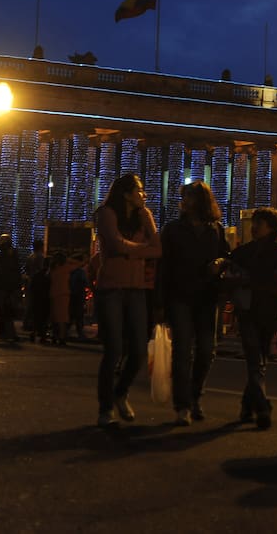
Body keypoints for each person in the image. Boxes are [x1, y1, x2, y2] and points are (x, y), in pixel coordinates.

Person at [94, 174, 162, 427]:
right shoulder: (106, 213)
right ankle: (106, 408)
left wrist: (135, 243)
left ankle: (120, 392)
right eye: (140, 190)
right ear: (126, 193)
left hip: (137, 289)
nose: (144, 195)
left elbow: (158, 249)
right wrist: (141, 250)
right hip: (111, 287)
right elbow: (114, 244)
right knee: (113, 350)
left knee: (138, 350)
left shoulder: (144, 216)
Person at [160, 181, 229, 426]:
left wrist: (219, 263)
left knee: (206, 350)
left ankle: (196, 394)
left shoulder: (216, 229)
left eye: (189, 196)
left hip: (207, 297)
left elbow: (226, 256)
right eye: (184, 196)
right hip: (180, 296)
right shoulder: (172, 230)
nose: (185, 200)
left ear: (201, 200)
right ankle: (183, 405)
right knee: (182, 352)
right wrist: (160, 303)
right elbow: (163, 266)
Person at [226, 207, 277, 428]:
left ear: (272, 228)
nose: (255, 227)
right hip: (250, 313)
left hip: (267, 314)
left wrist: (249, 282)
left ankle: (247, 407)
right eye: (254, 223)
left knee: (258, 362)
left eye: (261, 223)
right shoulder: (244, 253)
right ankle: (263, 407)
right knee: (256, 362)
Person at [29, 257, 51, 344]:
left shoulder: (37, 275)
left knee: (36, 317)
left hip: (36, 298)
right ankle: (42, 336)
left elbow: (32, 287)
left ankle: (34, 333)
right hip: (45, 298)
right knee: (44, 318)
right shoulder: (49, 275)